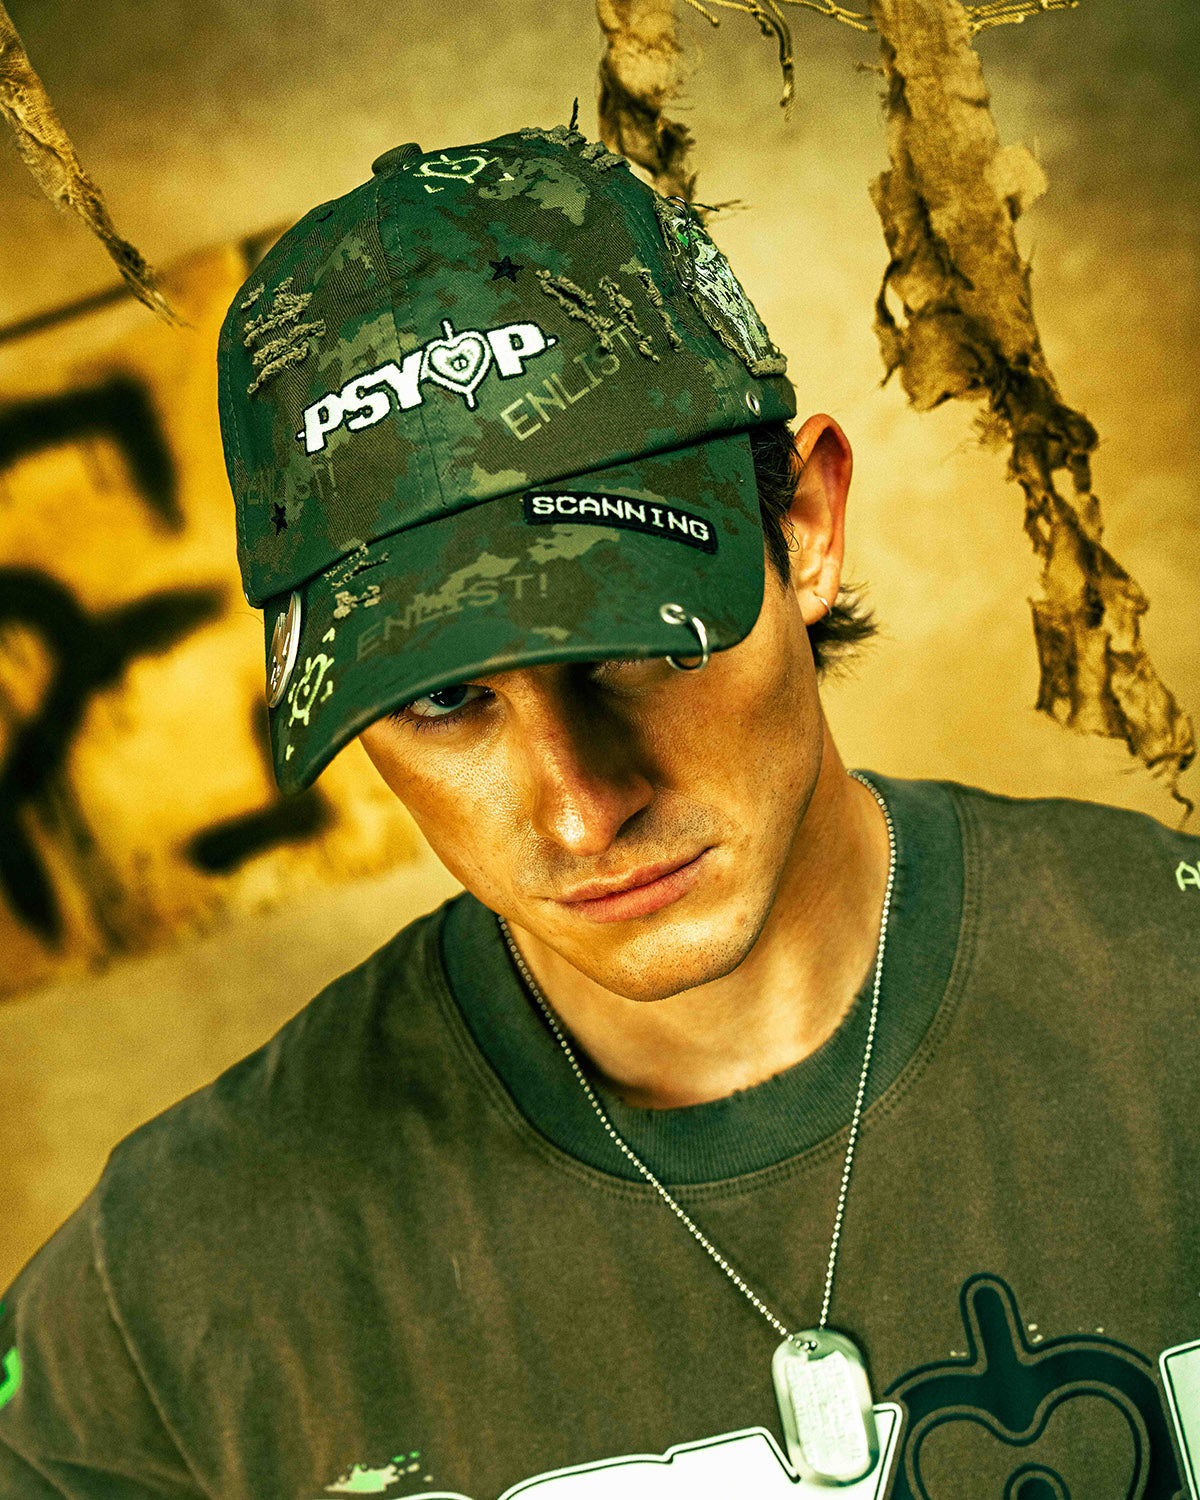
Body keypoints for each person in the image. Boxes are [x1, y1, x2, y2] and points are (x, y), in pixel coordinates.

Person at [1, 122, 1198, 1500]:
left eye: (633, 646)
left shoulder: (1170, 993)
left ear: (804, 527)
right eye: (446, 702)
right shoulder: (184, 1272)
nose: (579, 813)